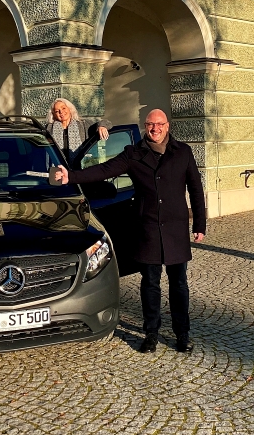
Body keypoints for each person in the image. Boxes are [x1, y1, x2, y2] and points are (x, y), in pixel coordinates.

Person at [55, 109, 205, 353]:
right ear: (145, 126)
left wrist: (199, 223)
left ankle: (182, 333)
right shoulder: (133, 153)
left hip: (176, 227)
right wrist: (70, 176)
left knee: (179, 284)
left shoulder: (183, 152)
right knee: (150, 283)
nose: (154, 129)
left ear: (167, 126)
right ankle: (151, 333)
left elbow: (196, 190)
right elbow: (103, 170)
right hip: (147, 227)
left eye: (159, 124)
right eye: (149, 124)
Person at [45, 98, 112, 163]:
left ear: (69, 109)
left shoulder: (84, 124)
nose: (61, 112)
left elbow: (107, 123)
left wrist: (102, 126)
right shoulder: (49, 128)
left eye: (63, 108)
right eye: (57, 111)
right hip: (57, 170)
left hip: (80, 170)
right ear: (53, 115)